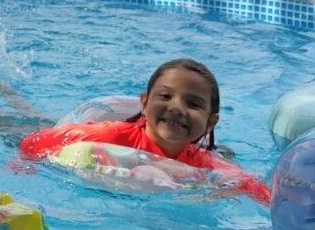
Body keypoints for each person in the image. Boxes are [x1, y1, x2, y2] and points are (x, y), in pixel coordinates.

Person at [18, 58, 271, 206]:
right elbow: (34, 142)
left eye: (193, 104)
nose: (176, 108)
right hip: (76, 131)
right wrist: (23, 167)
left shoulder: (206, 164)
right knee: (14, 120)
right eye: (165, 96)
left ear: (210, 123)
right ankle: (6, 94)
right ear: (145, 103)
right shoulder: (112, 135)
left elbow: (253, 188)